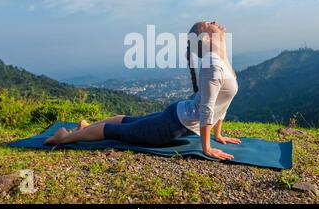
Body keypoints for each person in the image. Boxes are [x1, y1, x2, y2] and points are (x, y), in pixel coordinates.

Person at [44, 21, 240, 160]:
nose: (215, 21)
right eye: (209, 23)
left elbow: (221, 104)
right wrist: (207, 147)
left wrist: (218, 135)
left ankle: (85, 127)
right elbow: (207, 108)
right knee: (116, 131)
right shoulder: (213, 65)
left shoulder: (221, 61)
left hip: (178, 116)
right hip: (172, 126)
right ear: (206, 37)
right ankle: (65, 137)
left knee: (126, 120)